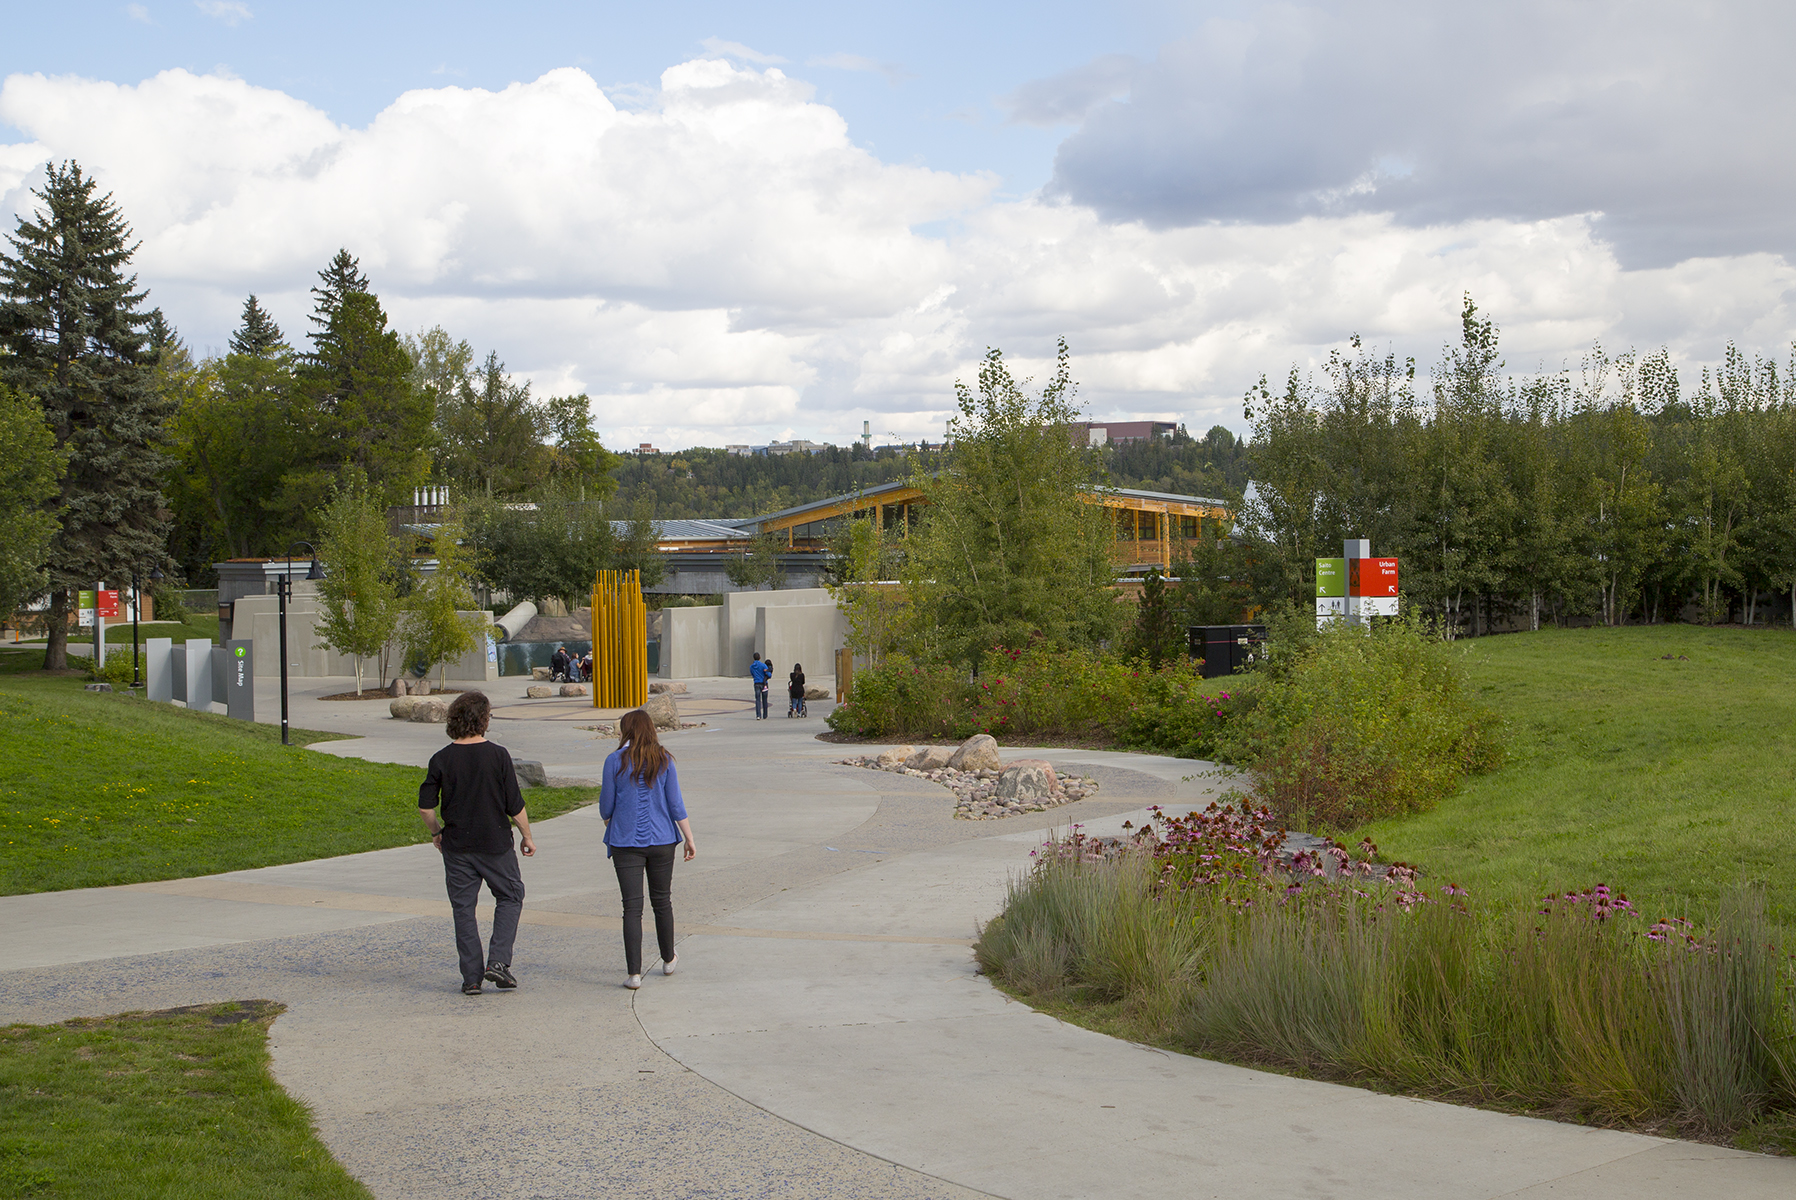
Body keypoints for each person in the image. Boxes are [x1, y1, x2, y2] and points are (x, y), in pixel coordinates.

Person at [417, 691, 537, 995]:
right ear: (483, 719)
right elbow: (514, 804)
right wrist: (527, 835)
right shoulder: (498, 755)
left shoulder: (441, 758)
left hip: (457, 847)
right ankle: (498, 962)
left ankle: (471, 978)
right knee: (510, 896)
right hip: (494, 843)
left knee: (463, 909)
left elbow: (425, 807)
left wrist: (436, 832)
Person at [600, 708, 697, 989]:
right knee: (662, 901)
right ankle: (668, 959)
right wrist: (689, 838)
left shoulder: (613, 761)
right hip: (663, 840)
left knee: (631, 908)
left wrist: (614, 820)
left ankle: (634, 974)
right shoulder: (664, 759)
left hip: (625, 842)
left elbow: (606, 805)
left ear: (627, 730)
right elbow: (675, 804)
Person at [749, 651, 771, 719]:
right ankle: (765, 715)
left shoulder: (751, 667)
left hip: (756, 683)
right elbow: (769, 675)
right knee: (765, 699)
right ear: (760, 657)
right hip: (764, 684)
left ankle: (758, 715)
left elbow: (752, 674)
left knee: (757, 700)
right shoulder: (763, 665)